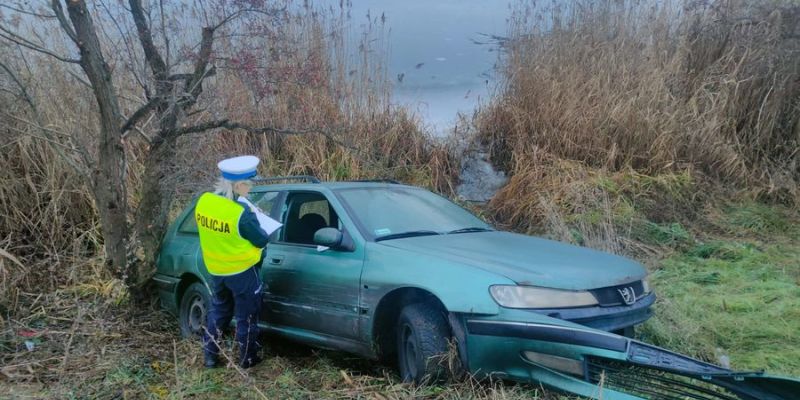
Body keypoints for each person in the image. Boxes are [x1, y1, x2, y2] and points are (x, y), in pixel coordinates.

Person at [195, 155, 269, 369]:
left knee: (219, 311)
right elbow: (261, 239)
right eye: (249, 184)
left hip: (216, 270)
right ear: (238, 185)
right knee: (247, 316)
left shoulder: (205, 201)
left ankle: (210, 356)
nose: (251, 188)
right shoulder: (241, 213)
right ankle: (248, 358)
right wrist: (256, 218)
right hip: (242, 271)